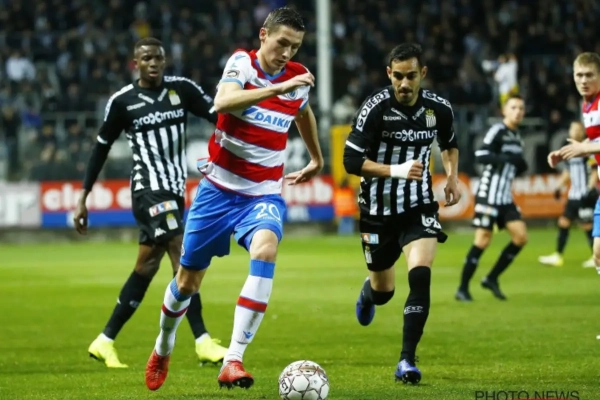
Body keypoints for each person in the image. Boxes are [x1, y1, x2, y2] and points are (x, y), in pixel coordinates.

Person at [144, 7, 324, 391]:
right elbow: (223, 102)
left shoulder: (298, 79)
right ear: (264, 35)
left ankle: (233, 359)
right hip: (218, 191)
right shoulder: (242, 63)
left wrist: (316, 157)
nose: (287, 53)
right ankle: (163, 346)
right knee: (187, 282)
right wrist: (277, 89)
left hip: (262, 194)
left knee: (266, 250)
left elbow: (302, 112)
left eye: (294, 47)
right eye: (282, 43)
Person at [74, 37, 227, 368]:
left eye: (158, 57)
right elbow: (100, 148)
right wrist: (83, 197)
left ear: (164, 60)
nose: (153, 63)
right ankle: (202, 340)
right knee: (183, 253)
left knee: (146, 266)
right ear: (136, 63)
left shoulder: (182, 90)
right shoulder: (122, 102)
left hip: (174, 191)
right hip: (147, 190)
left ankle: (104, 340)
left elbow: (218, 116)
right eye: (146, 58)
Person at [343, 43, 461, 384]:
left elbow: (449, 143)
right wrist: (396, 170)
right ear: (389, 74)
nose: (404, 84)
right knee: (384, 292)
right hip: (376, 211)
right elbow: (351, 161)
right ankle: (369, 293)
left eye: (411, 76)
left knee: (420, 274)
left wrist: (452, 177)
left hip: (418, 206)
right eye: (398, 76)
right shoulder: (375, 108)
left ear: (422, 73)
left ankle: (406, 360)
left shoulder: (437, 109)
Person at [456, 94, 528, 302]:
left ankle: (491, 278)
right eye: (513, 107)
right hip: (489, 195)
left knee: (521, 237)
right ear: (504, 110)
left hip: (505, 197)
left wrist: (519, 165)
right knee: (482, 240)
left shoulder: (517, 137)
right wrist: (506, 159)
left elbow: (515, 166)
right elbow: (481, 155)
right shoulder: (498, 131)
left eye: (521, 108)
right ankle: (462, 288)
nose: (518, 112)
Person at [551, 52, 600, 279]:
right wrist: (568, 152)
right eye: (579, 75)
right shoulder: (587, 105)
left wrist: (584, 148)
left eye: (589, 75)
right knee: (597, 253)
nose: (583, 80)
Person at [538, 121, 598, 268]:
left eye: (578, 129)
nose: (575, 131)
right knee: (563, 223)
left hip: (585, 195)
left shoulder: (587, 150)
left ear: (583, 132)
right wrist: (558, 187)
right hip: (573, 195)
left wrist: (590, 189)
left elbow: (594, 171)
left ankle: (595, 256)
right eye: (572, 129)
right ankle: (558, 255)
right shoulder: (570, 151)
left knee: (587, 225)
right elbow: (567, 172)